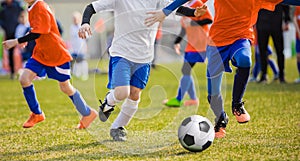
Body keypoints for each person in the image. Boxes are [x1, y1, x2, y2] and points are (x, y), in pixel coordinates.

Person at [144, 0, 300, 138]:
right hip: (217, 43)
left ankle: (237, 104)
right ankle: (220, 119)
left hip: (241, 37)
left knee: (245, 59)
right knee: (213, 95)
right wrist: (166, 11)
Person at [78, 0, 207, 141]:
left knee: (134, 95)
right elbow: (91, 7)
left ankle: (118, 127)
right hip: (121, 54)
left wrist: (194, 12)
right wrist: (85, 23)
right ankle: (108, 103)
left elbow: (176, 8)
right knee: (122, 92)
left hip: (144, 58)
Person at [2, 0, 97, 129]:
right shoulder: (31, 7)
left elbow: (40, 31)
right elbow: (35, 29)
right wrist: (26, 35)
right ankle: (37, 113)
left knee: (65, 87)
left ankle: (88, 113)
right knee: (24, 79)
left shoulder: (40, 6)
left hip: (56, 55)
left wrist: (16, 41)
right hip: (41, 54)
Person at [163, 0, 212, 107]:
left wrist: (193, 23)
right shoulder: (184, 6)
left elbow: (208, 20)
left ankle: (179, 99)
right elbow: (184, 29)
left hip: (200, 43)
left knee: (185, 70)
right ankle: (193, 100)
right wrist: (177, 42)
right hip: (191, 45)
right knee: (186, 71)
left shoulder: (198, 3)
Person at [256, 3, 291, 83]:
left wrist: (287, 20)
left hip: (276, 22)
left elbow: (285, 3)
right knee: (262, 51)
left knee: (279, 50)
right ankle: (264, 75)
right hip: (262, 22)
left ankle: (281, 75)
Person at [0, 0, 23, 79]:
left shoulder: (17, 6)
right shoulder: (3, 7)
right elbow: (1, 20)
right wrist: (5, 28)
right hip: (9, 33)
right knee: (10, 53)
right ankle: (12, 72)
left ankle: (25, 71)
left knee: (23, 51)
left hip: (18, 32)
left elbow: (22, 15)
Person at [69, 11, 89, 81]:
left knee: (82, 61)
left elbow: (87, 38)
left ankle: (85, 74)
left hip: (81, 47)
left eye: (76, 18)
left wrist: (86, 47)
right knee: (75, 61)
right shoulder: (72, 27)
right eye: (74, 19)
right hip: (74, 48)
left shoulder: (82, 27)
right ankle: (76, 74)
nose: (75, 20)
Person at [293, 6, 300, 83]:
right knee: (298, 56)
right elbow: (294, 19)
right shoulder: (298, 8)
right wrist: (298, 32)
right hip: (298, 37)